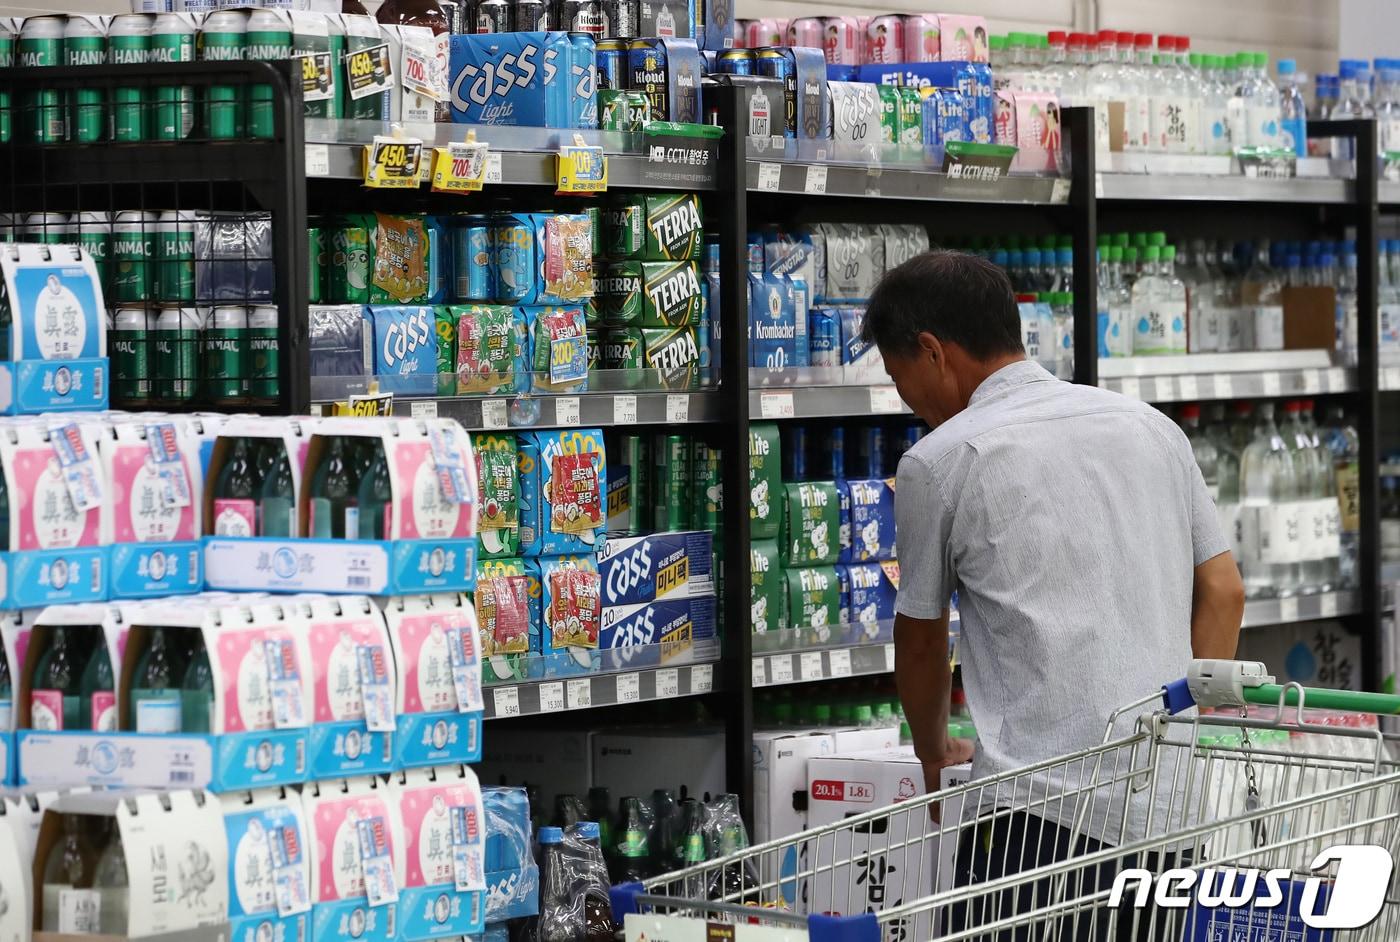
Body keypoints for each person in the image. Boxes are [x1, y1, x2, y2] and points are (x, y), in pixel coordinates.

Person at [859, 251, 1245, 940]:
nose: (907, 401)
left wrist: (930, 747)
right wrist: (1182, 725)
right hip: (1169, 814)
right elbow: (1223, 591)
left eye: (900, 379)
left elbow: (920, 640)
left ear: (932, 353)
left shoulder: (942, 461)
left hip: (1037, 826)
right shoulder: (1152, 429)